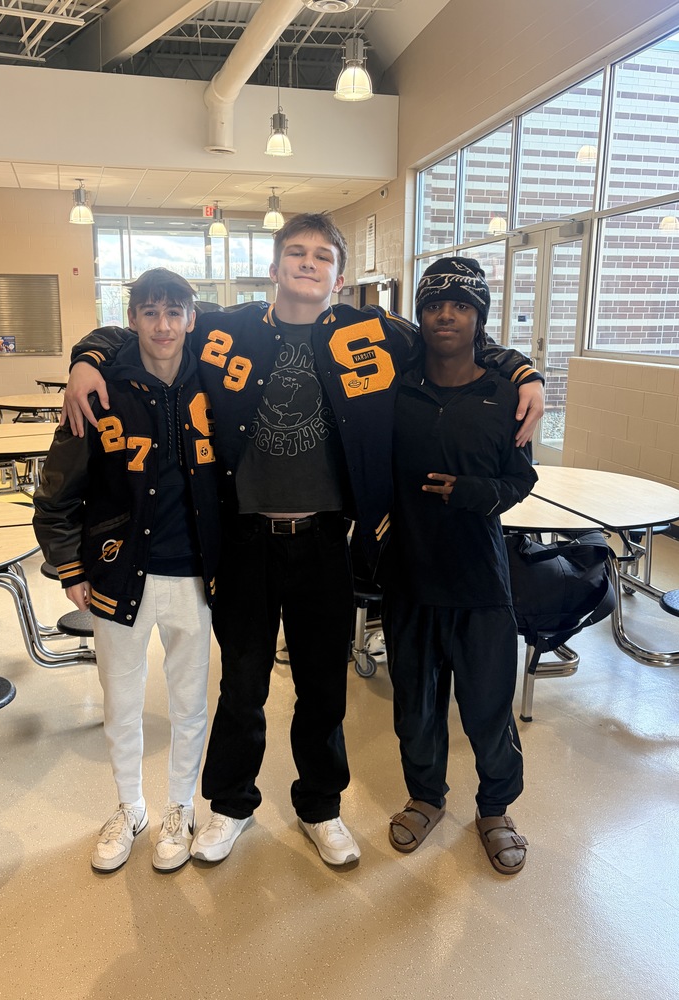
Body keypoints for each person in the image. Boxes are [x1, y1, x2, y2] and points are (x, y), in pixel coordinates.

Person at [61, 214, 544, 868]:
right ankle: (230, 806)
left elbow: (455, 337)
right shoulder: (226, 327)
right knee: (241, 687)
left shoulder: (371, 332)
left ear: (339, 276)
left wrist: (523, 370)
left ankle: (321, 808)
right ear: (275, 265)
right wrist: (87, 358)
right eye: (296, 252)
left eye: (322, 256)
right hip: (244, 542)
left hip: (324, 542)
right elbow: (147, 325)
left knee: (323, 688)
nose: (309, 263)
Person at [33, 268, 220, 874]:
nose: (163, 325)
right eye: (150, 312)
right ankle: (130, 804)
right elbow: (57, 491)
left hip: (198, 575)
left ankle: (178, 806)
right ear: (132, 317)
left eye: (174, 312)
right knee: (122, 698)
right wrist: (69, 566)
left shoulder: (218, 380)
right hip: (118, 573)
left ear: (192, 317)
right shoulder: (99, 387)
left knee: (192, 701)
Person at [383, 257, 537, 874]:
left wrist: (475, 493)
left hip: (480, 584)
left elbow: (521, 477)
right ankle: (426, 797)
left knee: (488, 707)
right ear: (420, 316)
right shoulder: (393, 389)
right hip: (409, 578)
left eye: (462, 305)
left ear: (479, 318)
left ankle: (496, 808)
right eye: (434, 305)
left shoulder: (504, 396)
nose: (446, 315)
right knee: (415, 708)